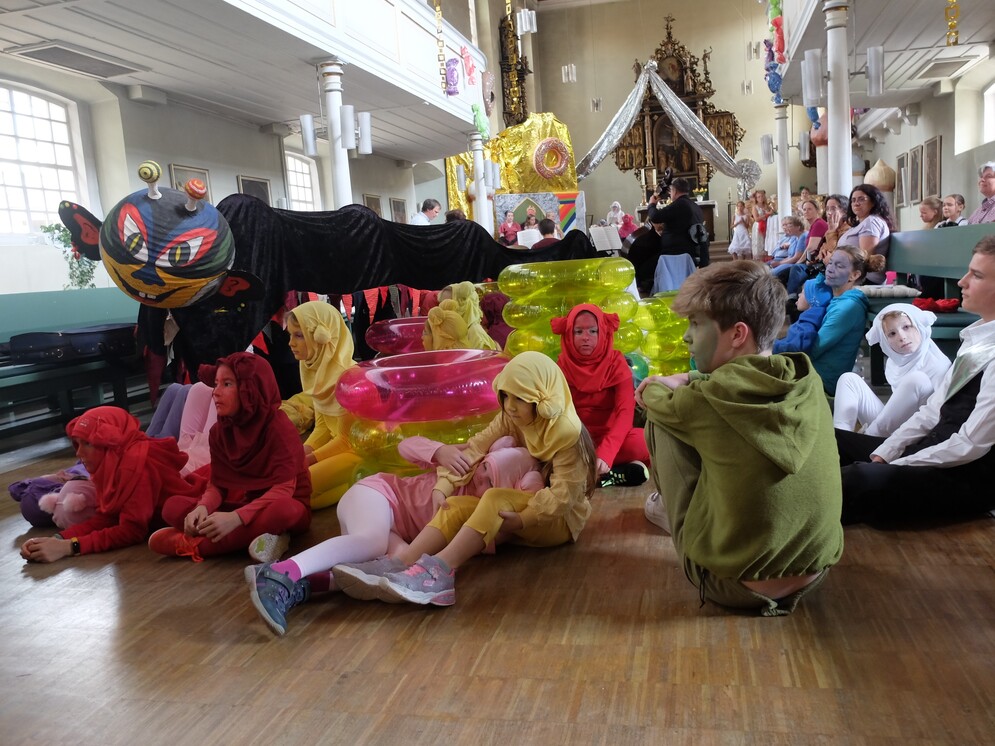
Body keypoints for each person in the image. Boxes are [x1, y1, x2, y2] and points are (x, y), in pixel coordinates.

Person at [636, 260, 843, 616]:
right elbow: (735, 386)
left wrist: (676, 381)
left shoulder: (704, 403)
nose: (687, 336)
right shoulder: (807, 382)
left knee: (661, 419)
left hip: (732, 586)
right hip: (815, 574)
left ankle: (666, 510)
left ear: (737, 334)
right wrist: (691, 379)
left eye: (696, 324)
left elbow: (649, 395)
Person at [334, 351, 598, 607]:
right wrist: (444, 484)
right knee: (457, 506)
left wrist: (523, 519)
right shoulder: (512, 418)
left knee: (494, 497)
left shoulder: (568, 438)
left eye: (519, 398)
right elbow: (475, 448)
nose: (509, 406)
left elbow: (561, 499)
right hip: (522, 507)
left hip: (556, 519)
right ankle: (401, 564)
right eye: (505, 396)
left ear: (541, 398)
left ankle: (440, 572)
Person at [245, 436, 542, 635]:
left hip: (393, 531)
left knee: (399, 569)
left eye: (491, 481)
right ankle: (281, 572)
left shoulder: (483, 514)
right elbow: (407, 446)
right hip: (378, 495)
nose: (480, 477)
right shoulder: (462, 468)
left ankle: (300, 585)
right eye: (485, 468)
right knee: (371, 540)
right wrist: (441, 451)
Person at [836, 235, 995, 525]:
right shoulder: (977, 337)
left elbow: (971, 443)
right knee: (832, 441)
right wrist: (886, 452)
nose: (962, 281)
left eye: (977, 275)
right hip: (929, 450)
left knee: (858, 477)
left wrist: (898, 464)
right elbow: (932, 412)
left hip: (961, 476)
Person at [148, 353, 311, 561]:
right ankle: (264, 538)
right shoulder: (220, 431)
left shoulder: (278, 428)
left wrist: (236, 518)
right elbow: (217, 485)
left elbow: (284, 490)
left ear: (250, 390)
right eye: (215, 384)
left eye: (226, 384)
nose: (215, 392)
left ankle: (195, 545)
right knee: (172, 507)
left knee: (285, 511)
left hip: (281, 505)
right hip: (247, 507)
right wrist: (202, 508)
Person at [20, 406, 205, 563]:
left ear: (109, 444)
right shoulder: (110, 462)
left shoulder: (135, 466)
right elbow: (108, 517)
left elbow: (132, 531)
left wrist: (69, 547)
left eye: (87, 444)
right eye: (77, 444)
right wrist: (57, 539)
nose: (79, 453)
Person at [550, 304, 650, 487]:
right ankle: (611, 474)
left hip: (614, 438)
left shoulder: (617, 363)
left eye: (593, 331)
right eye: (578, 332)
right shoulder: (562, 365)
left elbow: (625, 413)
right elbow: (559, 413)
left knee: (644, 441)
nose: (586, 338)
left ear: (603, 332)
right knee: (548, 449)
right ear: (569, 335)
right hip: (577, 439)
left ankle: (590, 472)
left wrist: (607, 452)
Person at [774, 244, 886, 394]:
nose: (830, 269)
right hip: (811, 373)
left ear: (854, 275)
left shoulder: (847, 307)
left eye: (839, 266)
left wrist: (774, 356)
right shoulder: (837, 299)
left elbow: (813, 350)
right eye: (831, 262)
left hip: (821, 384)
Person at [834, 304, 951, 437]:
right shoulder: (894, 362)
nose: (902, 337)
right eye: (892, 334)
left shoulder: (937, 364)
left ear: (919, 326)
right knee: (848, 379)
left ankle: (866, 440)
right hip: (889, 430)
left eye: (907, 327)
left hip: (920, 434)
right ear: (885, 342)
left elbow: (939, 416)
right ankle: (841, 439)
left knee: (917, 379)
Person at [288, 301, 362, 508]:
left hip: (359, 451)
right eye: (291, 335)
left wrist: (305, 461)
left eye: (298, 335)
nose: (290, 343)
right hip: (339, 448)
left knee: (298, 487)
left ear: (321, 337)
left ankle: (369, 479)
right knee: (289, 485)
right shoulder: (317, 372)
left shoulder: (351, 380)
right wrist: (299, 454)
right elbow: (322, 428)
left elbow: (347, 441)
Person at [647, 177, 708, 267]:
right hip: (691, 250)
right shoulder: (695, 206)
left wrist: (651, 204)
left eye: (671, 191)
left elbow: (655, 217)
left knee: (644, 267)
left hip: (676, 253)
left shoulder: (679, 204)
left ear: (674, 191)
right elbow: (681, 225)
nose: (670, 194)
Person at [840, 184, 892, 286]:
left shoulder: (871, 222)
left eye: (861, 199)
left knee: (813, 288)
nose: (856, 203)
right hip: (852, 275)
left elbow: (864, 258)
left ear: (873, 202)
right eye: (853, 200)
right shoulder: (861, 224)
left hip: (864, 279)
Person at [439, 280, 500, 351]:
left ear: (462, 306)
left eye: (448, 304)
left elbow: (484, 361)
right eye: (441, 304)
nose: (442, 310)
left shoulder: (475, 334)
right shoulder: (451, 330)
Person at [750, 189, 772, 261]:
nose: (760, 198)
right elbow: (756, 219)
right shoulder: (755, 207)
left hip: (767, 225)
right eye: (758, 197)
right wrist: (766, 215)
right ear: (756, 198)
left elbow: (771, 214)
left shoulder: (767, 206)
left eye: (762, 196)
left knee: (766, 242)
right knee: (759, 243)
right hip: (758, 227)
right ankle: (758, 261)